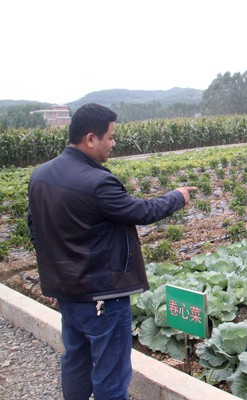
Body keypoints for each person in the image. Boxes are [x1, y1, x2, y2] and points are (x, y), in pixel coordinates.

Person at [27, 103, 197, 400]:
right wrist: (177, 197)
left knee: (76, 361)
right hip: (102, 297)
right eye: (110, 137)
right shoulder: (97, 182)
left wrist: (54, 277)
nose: (114, 143)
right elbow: (140, 211)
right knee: (111, 375)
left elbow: (36, 229)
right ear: (90, 139)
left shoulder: (40, 175)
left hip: (67, 292)